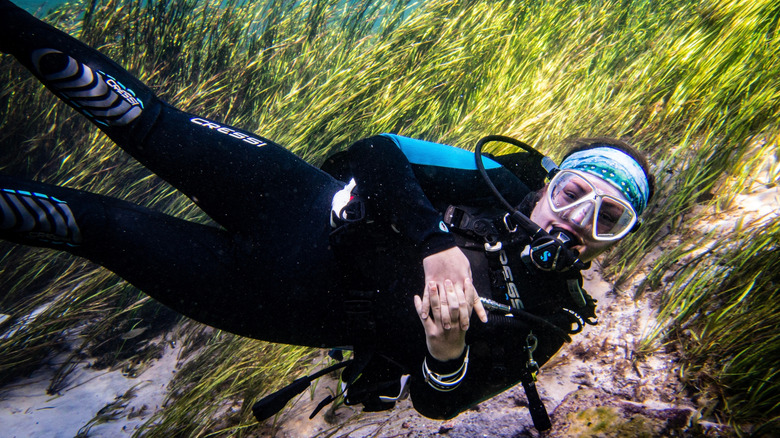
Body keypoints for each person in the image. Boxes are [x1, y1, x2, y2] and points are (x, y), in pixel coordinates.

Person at [0, 0, 654, 428]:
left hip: (269, 299)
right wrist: (432, 240)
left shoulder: (553, 314)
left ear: (612, 244)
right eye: (574, 194)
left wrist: (446, 346)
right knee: (143, 119)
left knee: (89, 225)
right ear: (550, 180)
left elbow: (438, 400)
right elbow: (371, 152)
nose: (577, 220)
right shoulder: (499, 179)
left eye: (608, 218)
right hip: (292, 197)